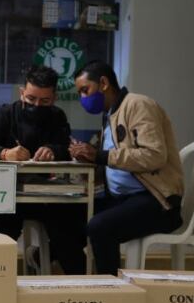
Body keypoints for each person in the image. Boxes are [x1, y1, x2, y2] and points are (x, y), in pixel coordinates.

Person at [0, 65, 87, 275]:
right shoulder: (5, 114)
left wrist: (53, 150)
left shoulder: (57, 116)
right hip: (6, 195)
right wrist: (5, 153)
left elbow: (65, 148)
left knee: (72, 221)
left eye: (45, 101)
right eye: (31, 99)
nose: (36, 105)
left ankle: (79, 285)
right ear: (22, 92)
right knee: (4, 230)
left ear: (54, 98)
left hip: (44, 196)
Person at [69, 60, 184, 275]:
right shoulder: (110, 114)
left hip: (156, 201)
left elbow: (154, 156)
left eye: (85, 90)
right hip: (121, 198)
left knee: (100, 227)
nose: (83, 98)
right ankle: (74, 277)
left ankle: (111, 289)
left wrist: (101, 156)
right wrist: (90, 158)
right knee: (69, 216)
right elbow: (114, 161)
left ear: (103, 83)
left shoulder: (138, 105)